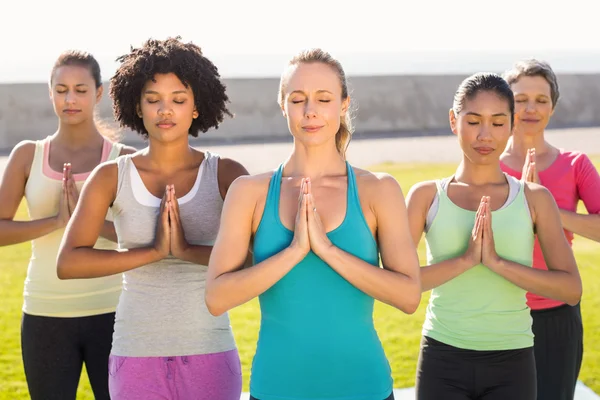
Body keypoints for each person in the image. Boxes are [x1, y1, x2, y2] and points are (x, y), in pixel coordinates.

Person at [205, 48, 421, 400]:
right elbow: (217, 298)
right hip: (277, 388)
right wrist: (294, 252)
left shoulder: (378, 189)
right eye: (298, 99)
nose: (310, 111)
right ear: (282, 105)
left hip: (363, 387)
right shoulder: (250, 192)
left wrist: (328, 249)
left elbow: (408, 296)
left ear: (344, 103)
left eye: (323, 98)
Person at [56, 37, 248, 400]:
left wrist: (187, 250)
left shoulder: (227, 175)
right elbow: (68, 263)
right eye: (153, 99)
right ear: (137, 106)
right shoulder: (110, 176)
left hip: (210, 351)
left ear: (196, 107)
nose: (165, 110)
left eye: (178, 99)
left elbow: (257, 258)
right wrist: (154, 252)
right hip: (135, 354)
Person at [406, 72, 582, 400]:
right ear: (453, 121)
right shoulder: (426, 196)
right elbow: (397, 285)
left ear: (512, 124)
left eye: (498, 122)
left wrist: (498, 264)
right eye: (473, 121)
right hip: (442, 357)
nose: (485, 135)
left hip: (512, 360)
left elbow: (570, 289)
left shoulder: (534, 198)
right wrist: (467, 260)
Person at [0, 50, 136, 400]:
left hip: (115, 313)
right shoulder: (27, 154)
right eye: (61, 90)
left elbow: (144, 237)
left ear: (99, 92)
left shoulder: (124, 160)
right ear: (50, 93)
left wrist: (85, 222)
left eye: (80, 89)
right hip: (45, 313)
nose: (70, 99)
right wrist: (56, 221)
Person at [500, 59, 600, 400]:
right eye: (520, 98)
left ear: (552, 108)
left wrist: (546, 208)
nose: (530, 108)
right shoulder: (485, 165)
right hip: (497, 311)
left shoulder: (576, 164)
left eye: (541, 100)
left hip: (557, 314)